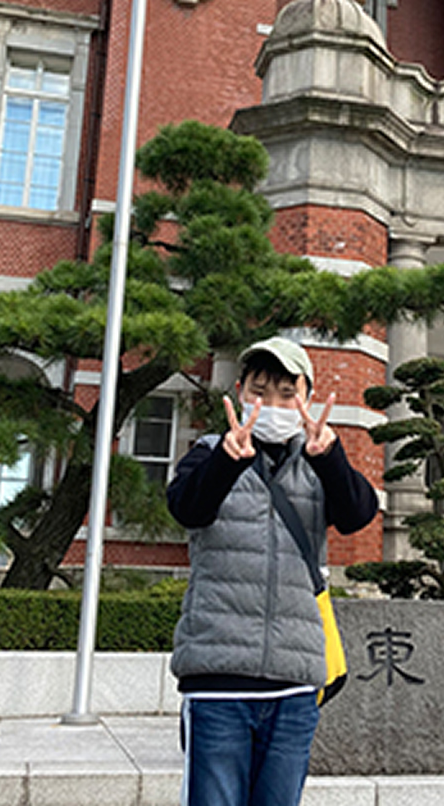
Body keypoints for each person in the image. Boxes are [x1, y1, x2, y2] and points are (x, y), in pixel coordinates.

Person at [166, 336, 378, 806]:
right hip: (218, 679)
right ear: (240, 392)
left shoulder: (317, 460)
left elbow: (357, 515)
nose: (273, 406)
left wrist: (331, 458)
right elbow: (187, 509)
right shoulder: (208, 452)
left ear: (306, 399)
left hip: (294, 680)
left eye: (287, 394)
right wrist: (227, 460)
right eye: (260, 392)